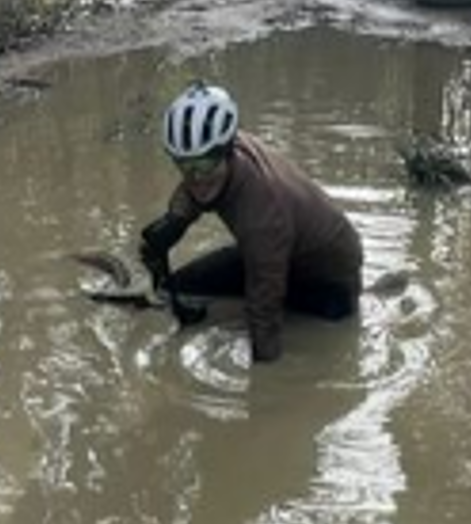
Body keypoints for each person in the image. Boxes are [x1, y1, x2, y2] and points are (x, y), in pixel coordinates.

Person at [138, 80, 363, 363]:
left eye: (206, 165)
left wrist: (264, 389)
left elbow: (264, 312)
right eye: (185, 165)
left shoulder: (263, 217)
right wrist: (175, 221)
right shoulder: (227, 150)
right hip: (284, 251)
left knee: (259, 307)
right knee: (182, 287)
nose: (196, 177)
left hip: (328, 287)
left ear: (227, 151)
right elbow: (196, 191)